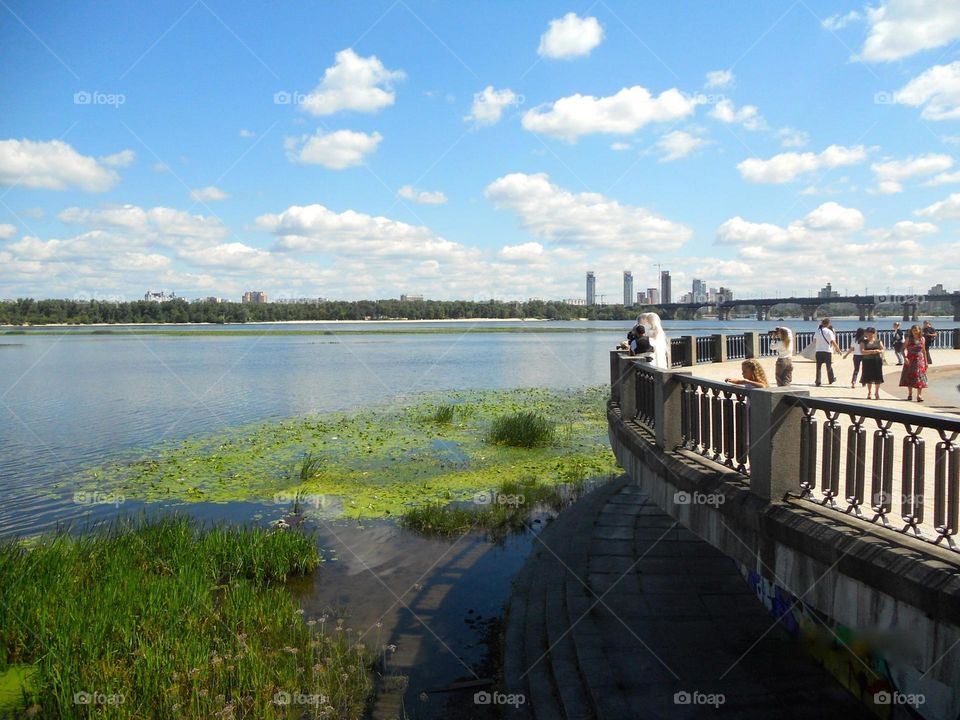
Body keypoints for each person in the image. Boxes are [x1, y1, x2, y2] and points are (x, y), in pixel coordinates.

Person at [899, 325, 928, 402]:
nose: (915, 331)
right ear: (911, 331)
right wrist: (904, 358)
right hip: (910, 359)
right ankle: (910, 394)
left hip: (919, 359)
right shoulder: (908, 339)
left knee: (920, 376)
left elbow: (924, 350)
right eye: (913, 330)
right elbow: (902, 349)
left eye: (916, 330)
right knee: (910, 376)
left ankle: (919, 395)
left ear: (919, 330)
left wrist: (926, 361)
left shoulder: (922, 339)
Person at [859, 327, 885, 400]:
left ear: (874, 333)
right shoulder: (863, 342)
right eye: (868, 333)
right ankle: (869, 392)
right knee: (868, 377)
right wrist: (872, 351)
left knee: (878, 377)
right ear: (866, 334)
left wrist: (879, 351)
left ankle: (876, 392)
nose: (870, 334)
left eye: (872, 333)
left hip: (877, 360)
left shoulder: (878, 341)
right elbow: (862, 351)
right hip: (867, 361)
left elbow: (882, 349)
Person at [813, 318, 840, 387]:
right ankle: (831, 379)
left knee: (818, 367)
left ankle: (818, 381)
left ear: (822, 323)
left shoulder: (818, 331)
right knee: (829, 366)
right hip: (827, 351)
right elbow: (833, 342)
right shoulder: (829, 332)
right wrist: (838, 349)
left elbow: (815, 341)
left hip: (818, 351)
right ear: (828, 324)